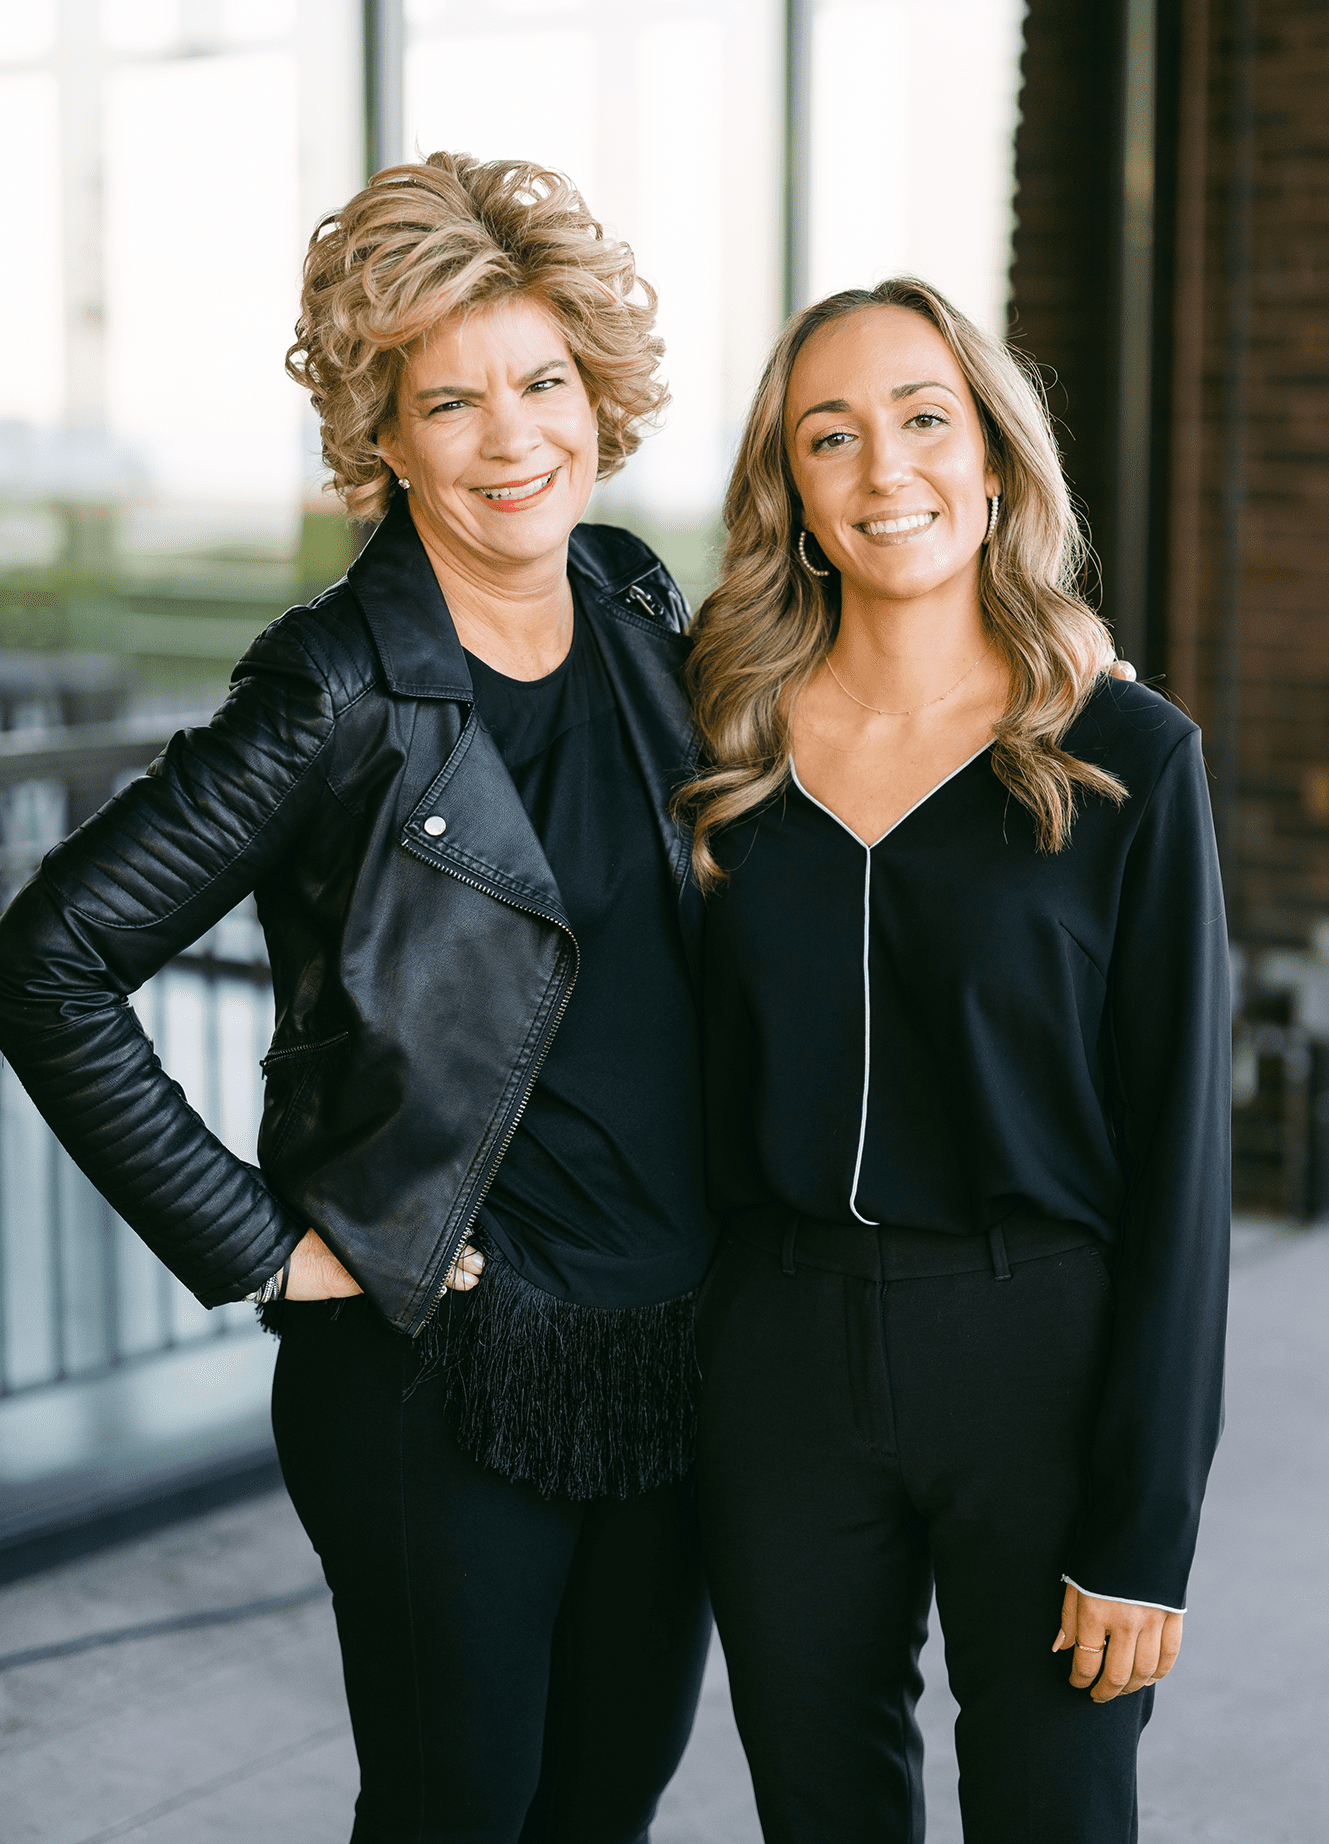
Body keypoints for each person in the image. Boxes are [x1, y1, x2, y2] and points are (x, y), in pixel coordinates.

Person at [0, 154, 715, 1844]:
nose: (510, 436)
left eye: (541, 381)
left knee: (607, 1797)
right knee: (459, 1806)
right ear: (381, 438)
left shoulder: (630, 602)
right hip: (434, 1362)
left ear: (597, 391)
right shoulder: (332, 686)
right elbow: (51, 959)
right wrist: (262, 1245)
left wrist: (1058, 687)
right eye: (447, 402)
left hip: (674, 1337)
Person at [677, 278, 1231, 1844]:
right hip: (776, 1361)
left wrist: (1144, 1524)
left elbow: (1183, 1159)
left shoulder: (1126, 757)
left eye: (924, 420)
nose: (883, 470)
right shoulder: (721, 743)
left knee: (1058, 1810)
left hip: (1034, 1358)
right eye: (829, 436)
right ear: (789, 492)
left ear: (993, 461)